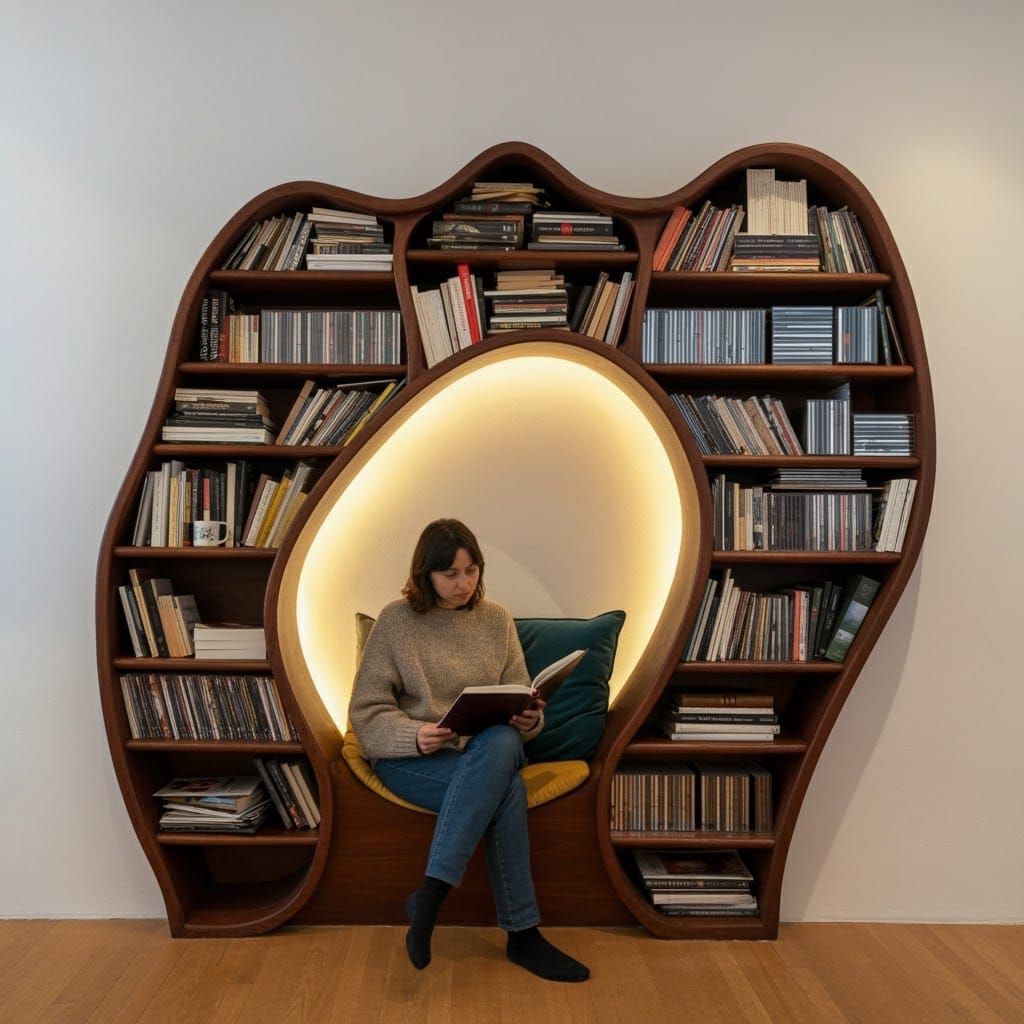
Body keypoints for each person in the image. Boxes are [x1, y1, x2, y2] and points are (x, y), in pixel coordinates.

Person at [348, 518, 590, 983]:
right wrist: (414, 736)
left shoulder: (496, 620)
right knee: (507, 793)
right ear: (426, 575)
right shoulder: (396, 622)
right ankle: (523, 936)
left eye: (472, 571)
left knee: (501, 739)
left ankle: (431, 895)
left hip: (485, 752)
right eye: (451, 574)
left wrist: (529, 719)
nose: (464, 584)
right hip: (414, 761)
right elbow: (366, 712)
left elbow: (521, 695)